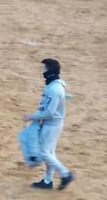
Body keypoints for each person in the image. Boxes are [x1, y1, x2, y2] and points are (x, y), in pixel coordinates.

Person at [22, 58, 75, 191]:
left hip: (51, 125)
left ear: (49, 71)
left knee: (44, 152)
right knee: (50, 152)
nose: (43, 72)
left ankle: (65, 174)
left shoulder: (54, 89)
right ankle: (47, 181)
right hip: (55, 123)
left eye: (45, 69)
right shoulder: (56, 87)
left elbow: (49, 113)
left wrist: (32, 117)